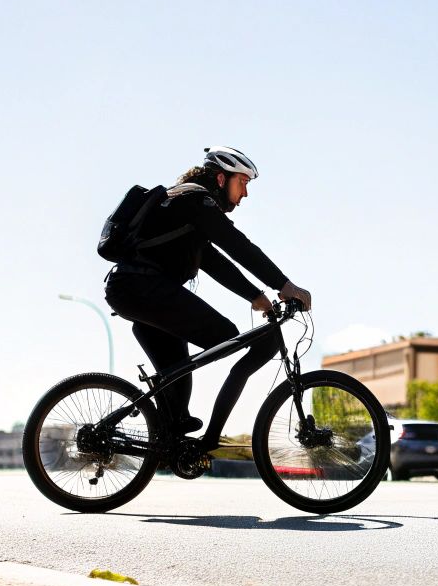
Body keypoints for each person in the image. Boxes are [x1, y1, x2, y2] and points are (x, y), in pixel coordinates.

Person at [103, 146, 310, 446]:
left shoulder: (186, 208)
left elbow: (214, 262)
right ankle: (206, 439)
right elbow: (238, 246)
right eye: (244, 183)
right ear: (222, 179)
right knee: (225, 335)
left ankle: (168, 440)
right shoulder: (196, 199)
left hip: (137, 290)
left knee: (176, 373)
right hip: (142, 288)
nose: (246, 194)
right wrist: (285, 286)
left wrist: (255, 295)